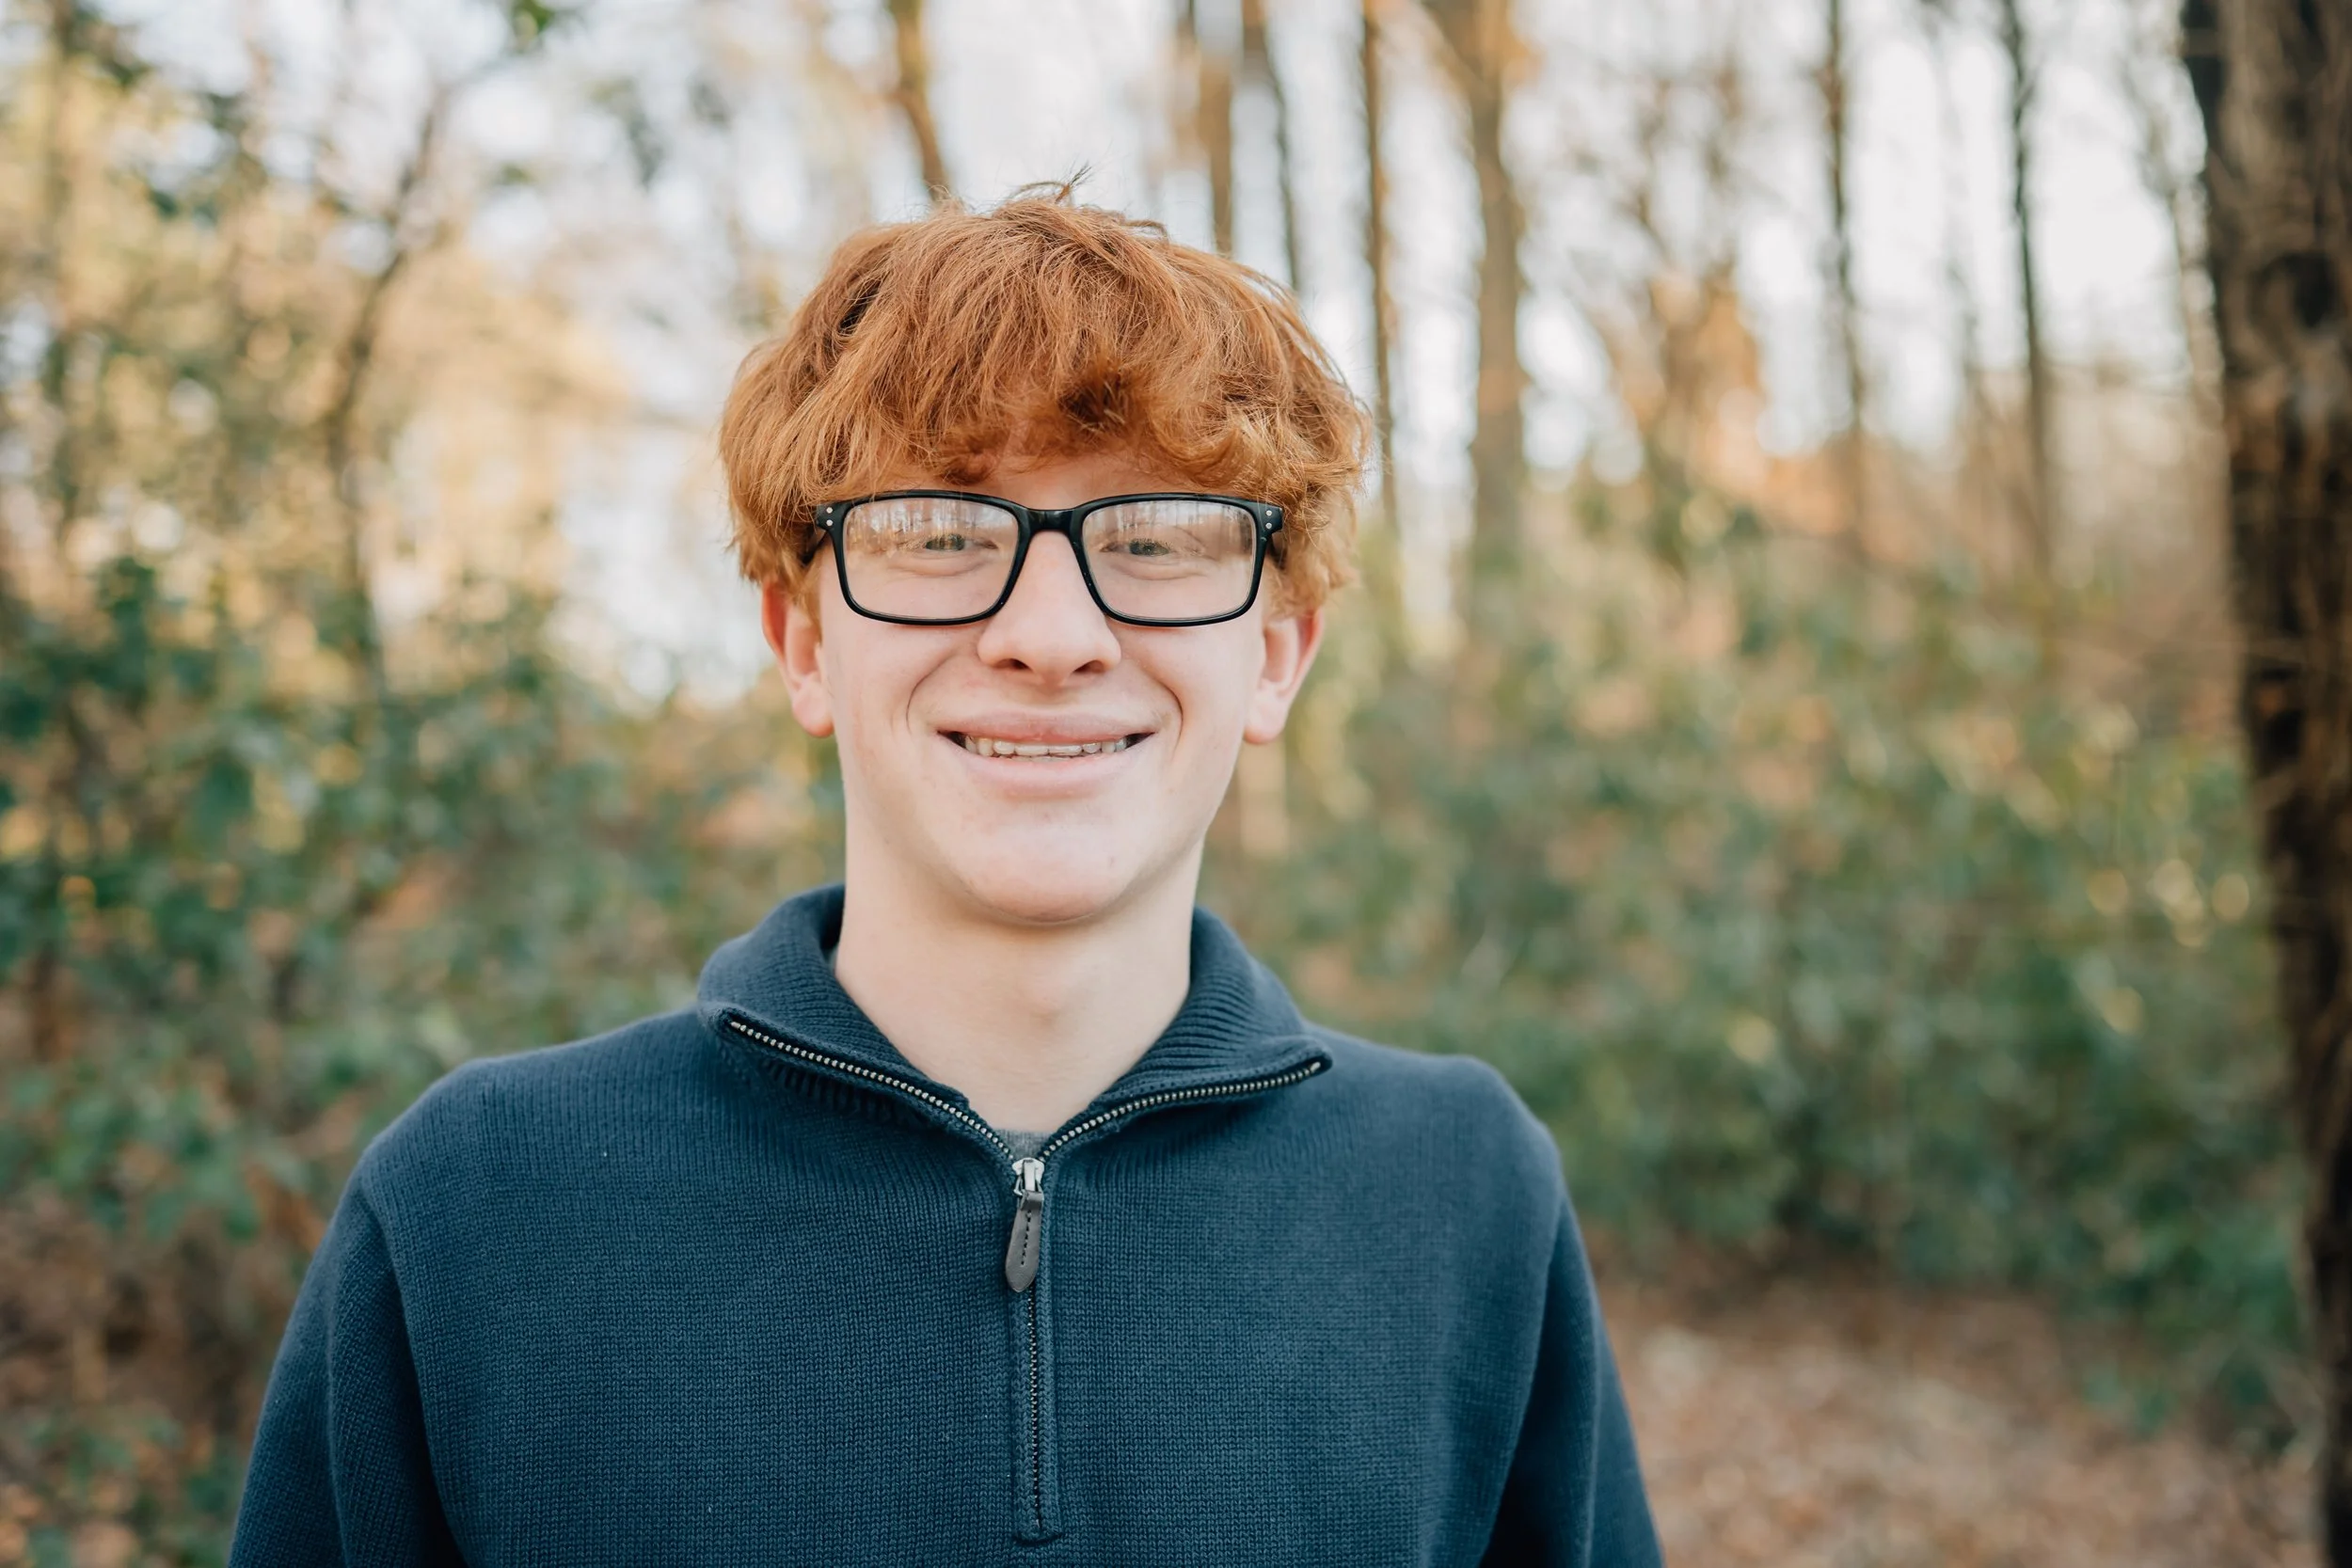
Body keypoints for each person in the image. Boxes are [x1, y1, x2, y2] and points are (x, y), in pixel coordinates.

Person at [229, 192, 1661, 1566]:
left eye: (1156, 540)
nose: (1053, 631)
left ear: (1277, 654)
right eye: (941, 534)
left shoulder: (1465, 1195)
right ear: (803, 641)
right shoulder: (477, 1208)